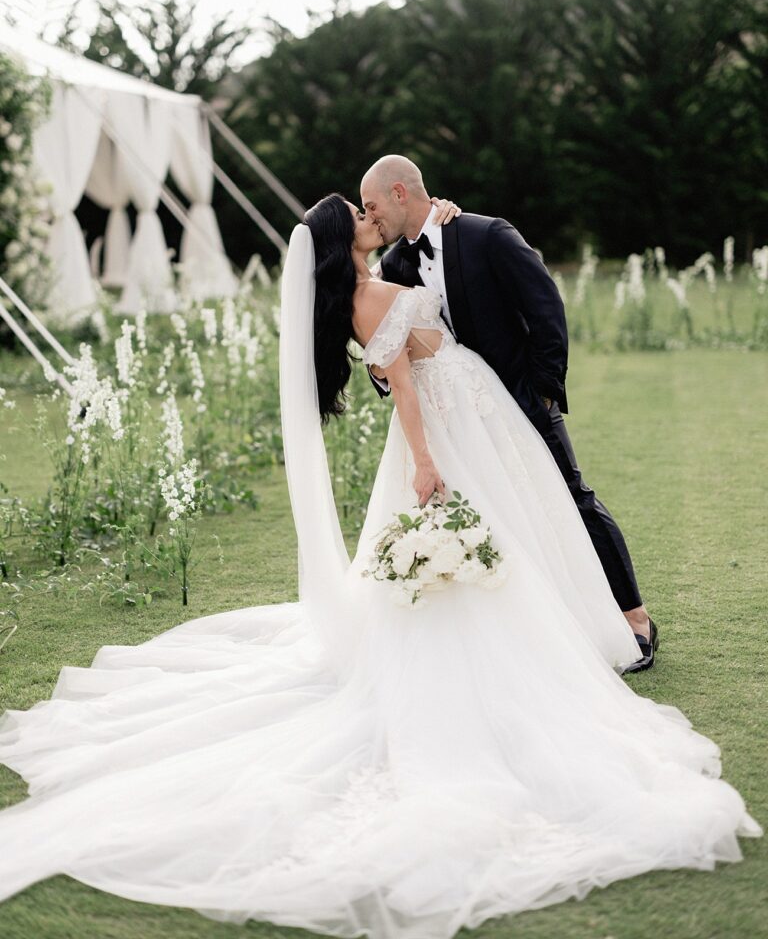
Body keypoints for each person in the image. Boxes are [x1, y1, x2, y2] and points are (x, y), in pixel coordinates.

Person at [0, 194, 760, 939]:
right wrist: (427, 463)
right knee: (486, 546)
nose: (371, 219)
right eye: (359, 216)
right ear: (346, 238)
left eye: (374, 207)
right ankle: (508, 654)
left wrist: (446, 225)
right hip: (447, 432)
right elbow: (398, 384)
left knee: (539, 524)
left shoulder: (392, 267)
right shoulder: (370, 295)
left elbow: (423, 330)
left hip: (479, 412)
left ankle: (587, 621)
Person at [361, 155, 658, 671]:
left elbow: (546, 309)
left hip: (519, 398)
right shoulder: (394, 266)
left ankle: (635, 618)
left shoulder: (486, 234)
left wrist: (542, 391)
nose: (372, 217)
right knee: (504, 513)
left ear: (401, 193)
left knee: (571, 498)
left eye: (372, 205)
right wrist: (381, 372)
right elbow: (386, 343)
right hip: (460, 421)